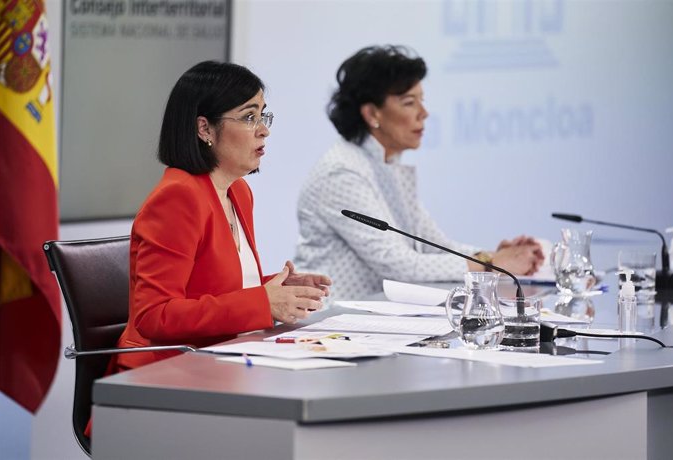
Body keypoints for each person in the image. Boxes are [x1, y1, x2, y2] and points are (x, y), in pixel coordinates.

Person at [114, 61, 332, 372]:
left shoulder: (238, 192)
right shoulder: (178, 198)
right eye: (248, 117)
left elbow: (213, 290)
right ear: (204, 129)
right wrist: (263, 302)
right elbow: (155, 316)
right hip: (165, 373)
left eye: (262, 115)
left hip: (222, 361)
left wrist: (276, 288)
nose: (264, 129)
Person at [294, 46, 543, 300]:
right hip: (326, 325)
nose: (423, 113)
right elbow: (398, 265)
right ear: (372, 114)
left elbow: (432, 244)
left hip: (369, 320)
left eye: (421, 101)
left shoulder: (385, 164)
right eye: (409, 103)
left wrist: (490, 256)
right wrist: (491, 264)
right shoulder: (342, 173)